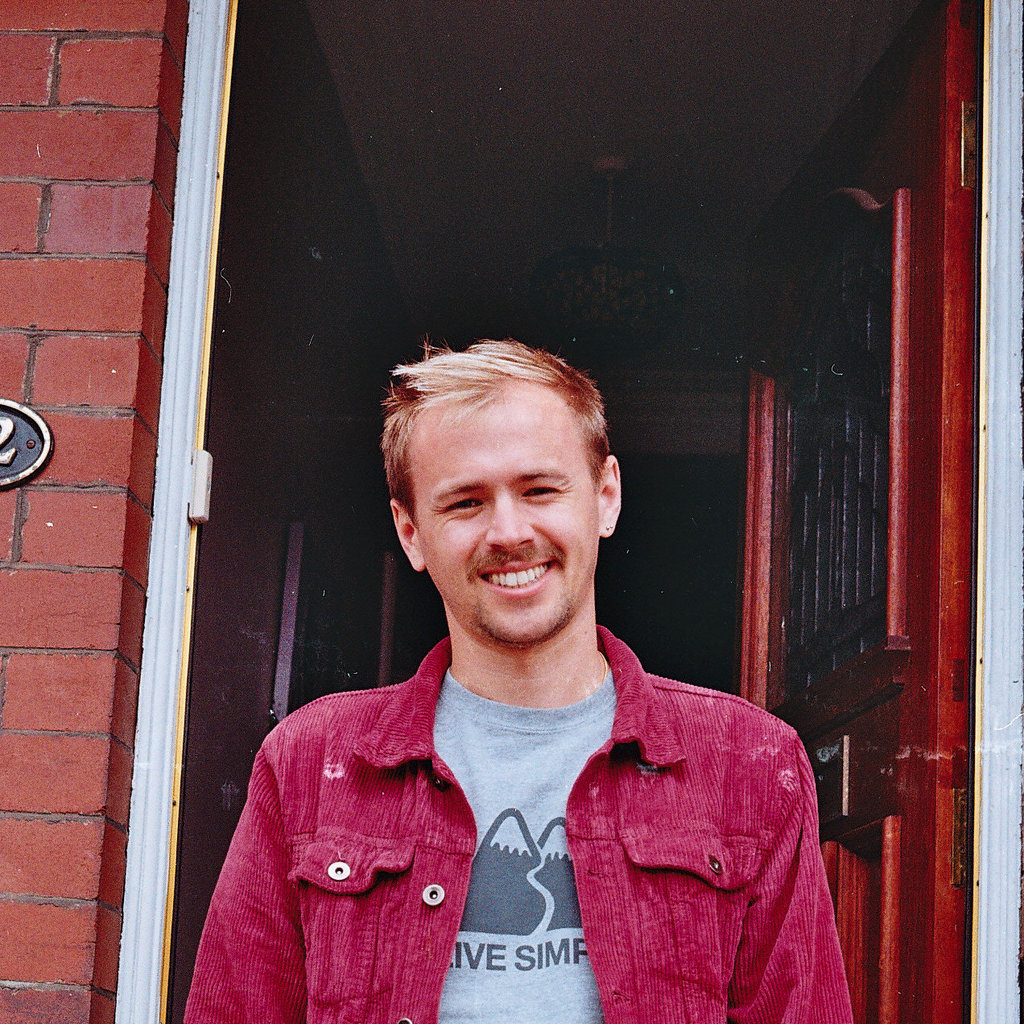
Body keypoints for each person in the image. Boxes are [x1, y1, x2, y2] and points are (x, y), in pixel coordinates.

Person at [184, 339, 853, 1024]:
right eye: (465, 503)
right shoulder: (308, 761)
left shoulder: (749, 761)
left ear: (606, 497)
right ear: (411, 532)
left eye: (539, 490)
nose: (508, 532)